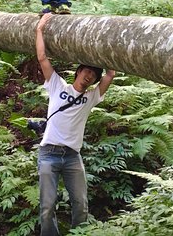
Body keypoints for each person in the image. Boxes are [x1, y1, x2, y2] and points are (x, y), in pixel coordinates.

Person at [35, 13, 115, 236]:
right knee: (47, 206)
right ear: (78, 71)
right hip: (49, 153)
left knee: (81, 203)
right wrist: (40, 29)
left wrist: (105, 40)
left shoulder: (91, 98)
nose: (89, 76)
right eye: (87, 71)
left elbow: (110, 73)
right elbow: (42, 58)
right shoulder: (57, 86)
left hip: (72, 156)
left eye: (93, 75)